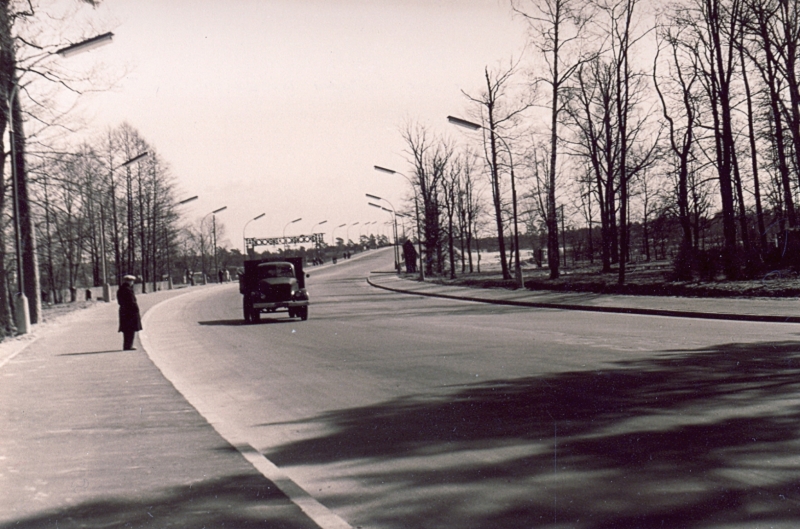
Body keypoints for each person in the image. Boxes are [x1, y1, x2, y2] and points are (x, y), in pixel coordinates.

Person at [117, 274, 142, 351]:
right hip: (130, 312)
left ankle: (126, 345)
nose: (132, 283)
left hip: (123, 310)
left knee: (126, 330)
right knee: (131, 329)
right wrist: (136, 310)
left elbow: (120, 301)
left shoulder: (120, 289)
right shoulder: (128, 290)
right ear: (129, 281)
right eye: (132, 281)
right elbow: (132, 302)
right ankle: (129, 346)